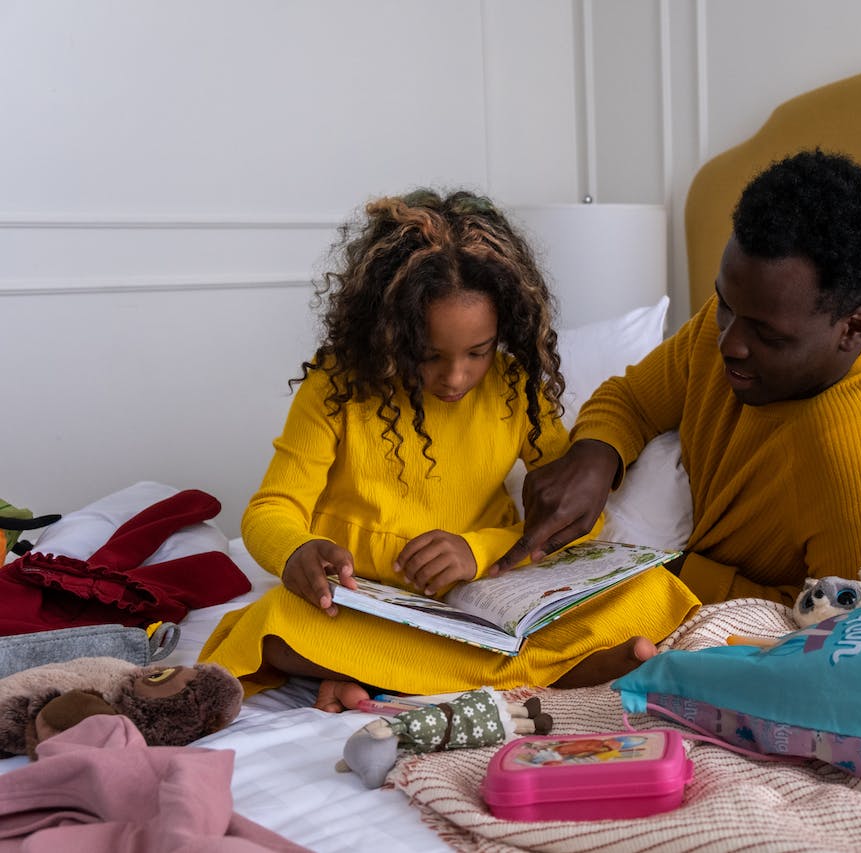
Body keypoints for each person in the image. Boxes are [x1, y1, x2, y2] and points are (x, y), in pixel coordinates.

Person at [199, 189, 699, 711]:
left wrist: (476, 551)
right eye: (429, 355)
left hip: (481, 602)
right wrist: (296, 552)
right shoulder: (337, 387)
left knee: (652, 592)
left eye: (478, 352)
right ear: (389, 332)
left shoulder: (516, 389)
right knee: (274, 624)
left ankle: (404, 679)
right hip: (370, 608)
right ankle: (551, 671)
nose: (456, 377)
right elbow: (270, 509)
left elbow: (575, 517)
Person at [496, 149, 861, 605]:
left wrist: (663, 567)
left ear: (853, 329)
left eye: (767, 334)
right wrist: (594, 458)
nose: (730, 344)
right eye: (724, 304)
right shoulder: (737, 323)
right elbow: (632, 400)